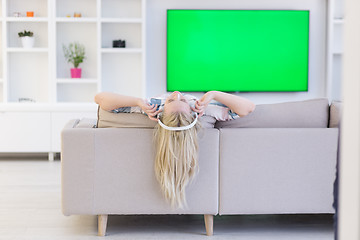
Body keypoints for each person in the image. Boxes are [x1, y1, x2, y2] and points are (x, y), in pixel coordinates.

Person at [94, 91, 255, 208]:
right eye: (183, 100)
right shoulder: (206, 109)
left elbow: (99, 98)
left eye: (170, 100)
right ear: (192, 112)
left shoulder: (151, 107)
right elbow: (249, 107)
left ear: (160, 113)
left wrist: (138, 102)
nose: (177, 93)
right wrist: (213, 95)